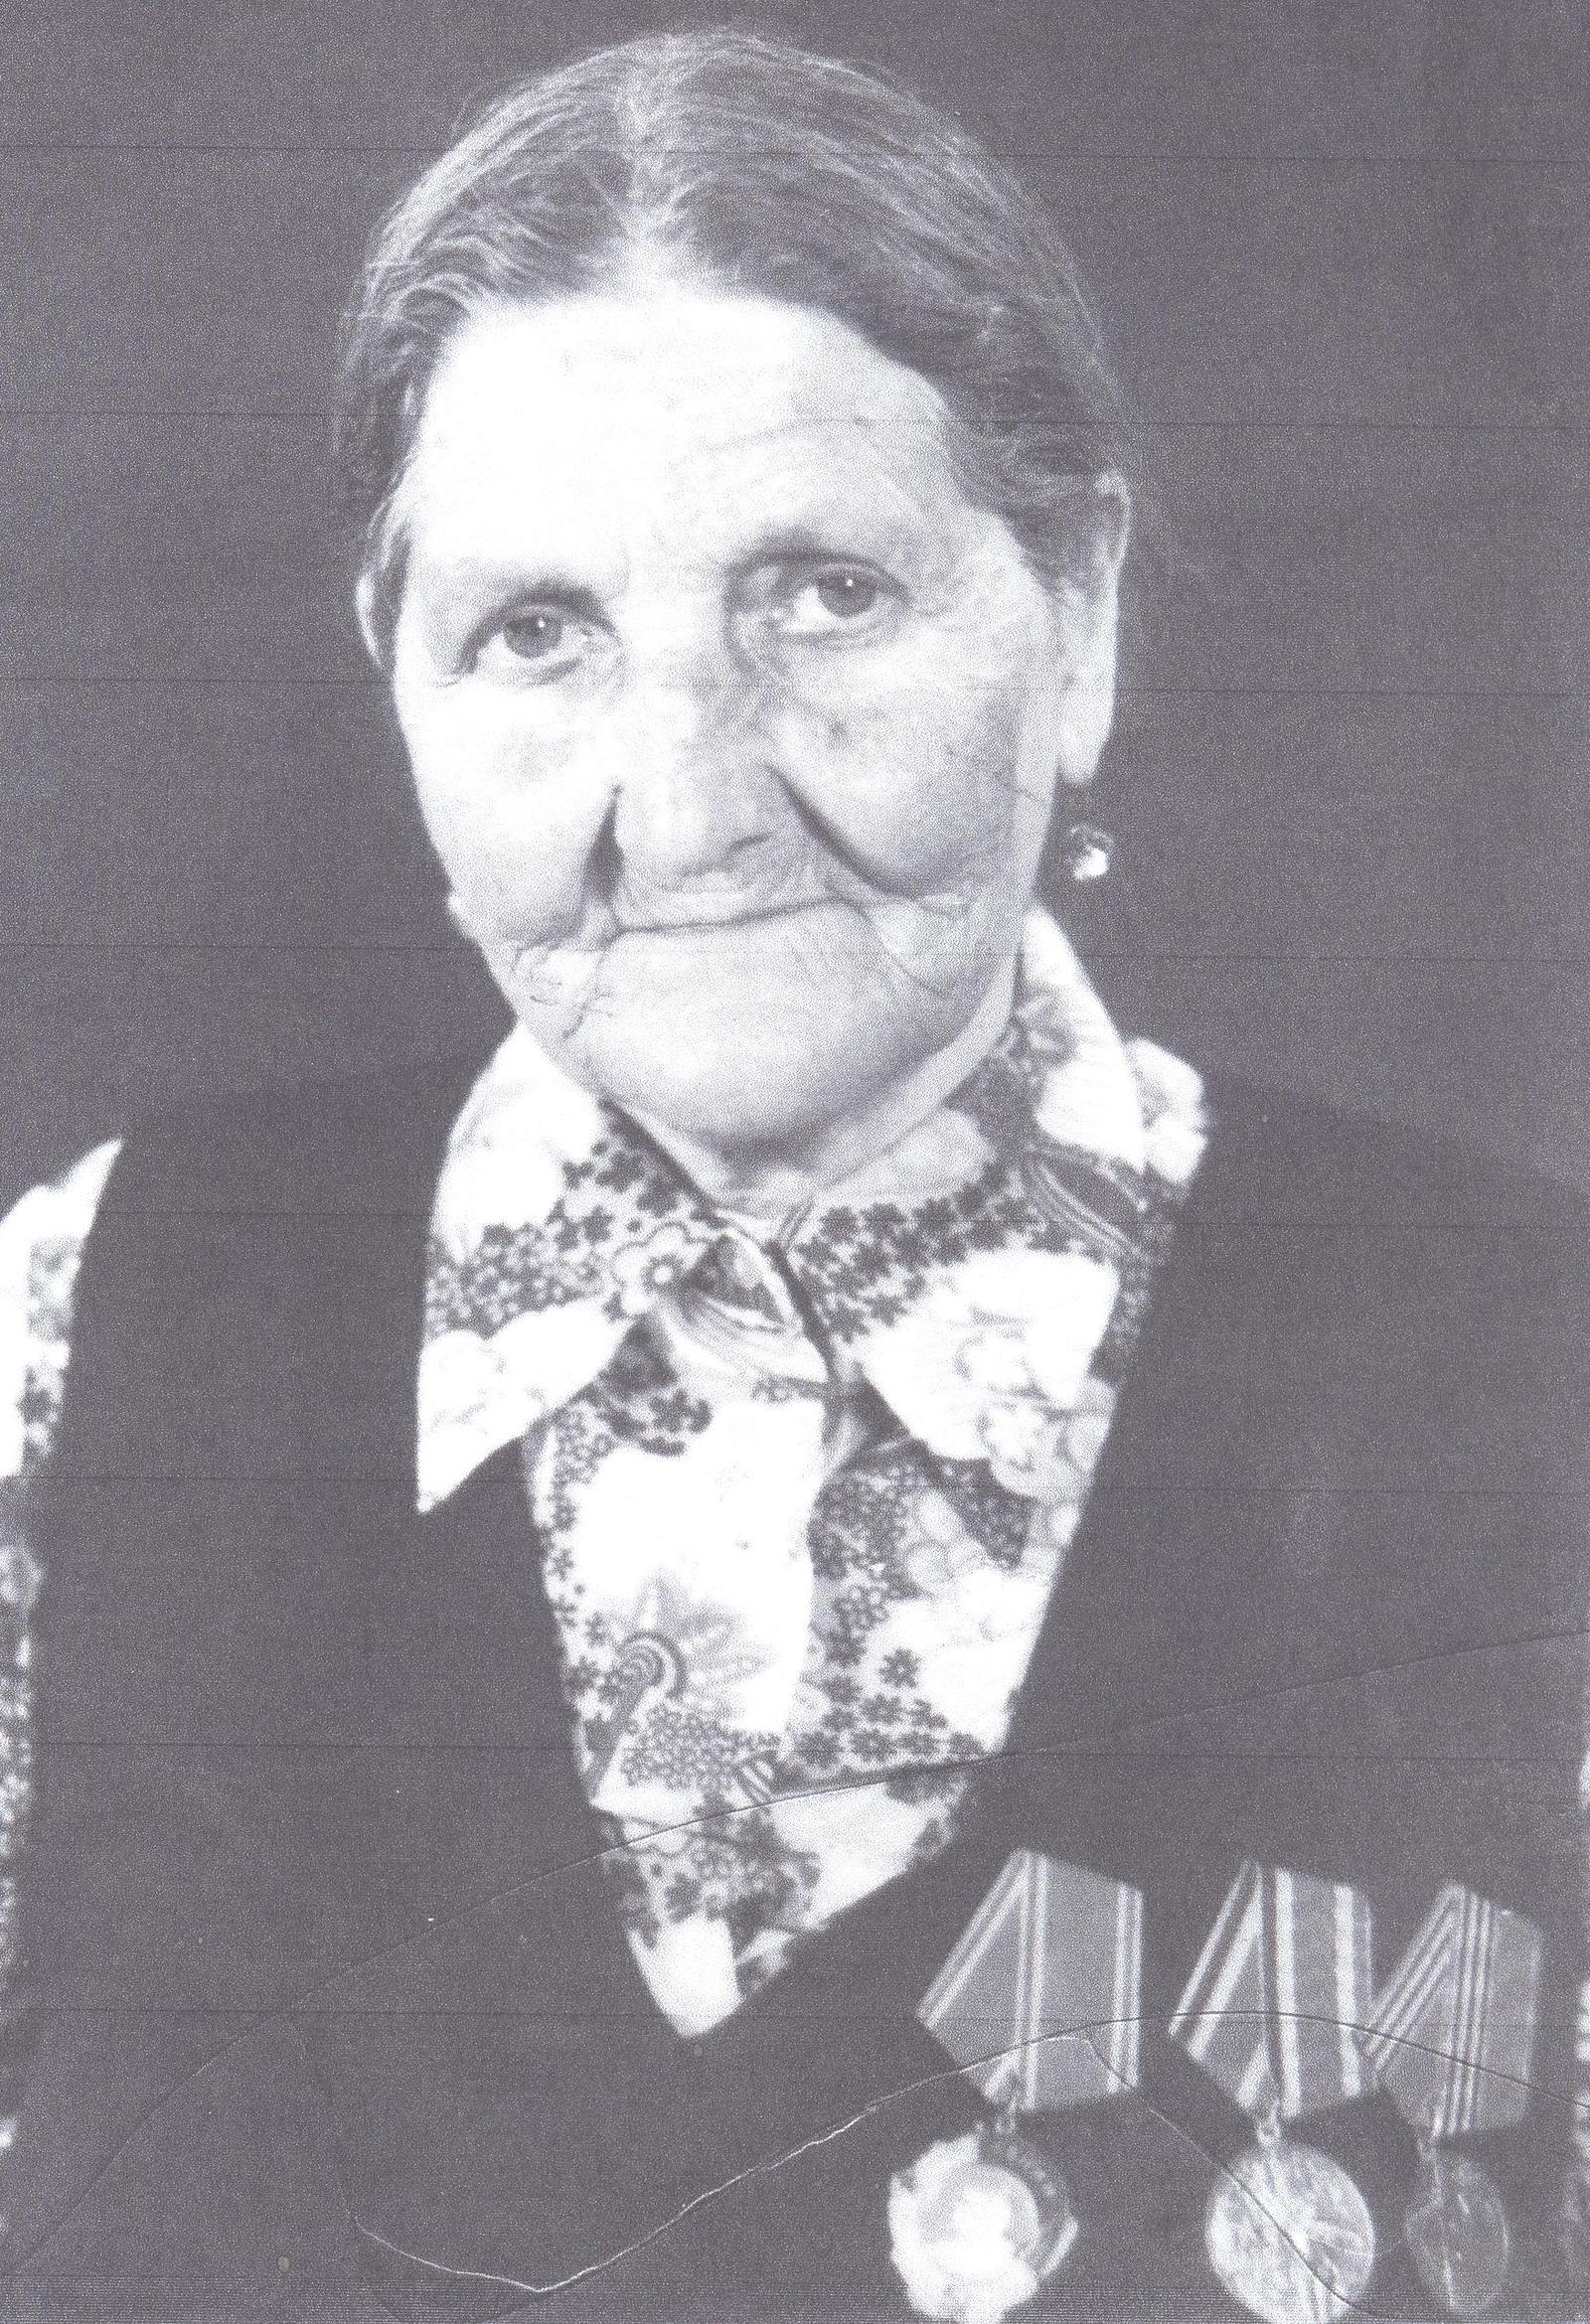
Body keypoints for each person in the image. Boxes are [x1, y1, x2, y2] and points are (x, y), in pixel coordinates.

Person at [0, 28, 1585, 2324]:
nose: (683, 804)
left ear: (1077, 614)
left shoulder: (1531, 1371)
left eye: (818, 596)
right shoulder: (81, 1329)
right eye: (535, 634)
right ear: (397, 679)